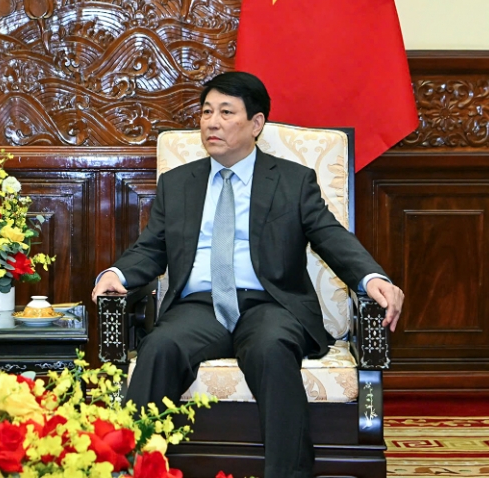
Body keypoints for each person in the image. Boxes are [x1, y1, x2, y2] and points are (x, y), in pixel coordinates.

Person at [91, 72, 404, 478]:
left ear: (256, 124)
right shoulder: (178, 183)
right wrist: (117, 273)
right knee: (159, 347)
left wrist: (371, 278)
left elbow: (329, 236)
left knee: (272, 348)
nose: (211, 123)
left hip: (269, 304)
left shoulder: (292, 181)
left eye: (225, 112)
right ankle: (128, 467)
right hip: (199, 307)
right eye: (206, 112)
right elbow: (152, 247)